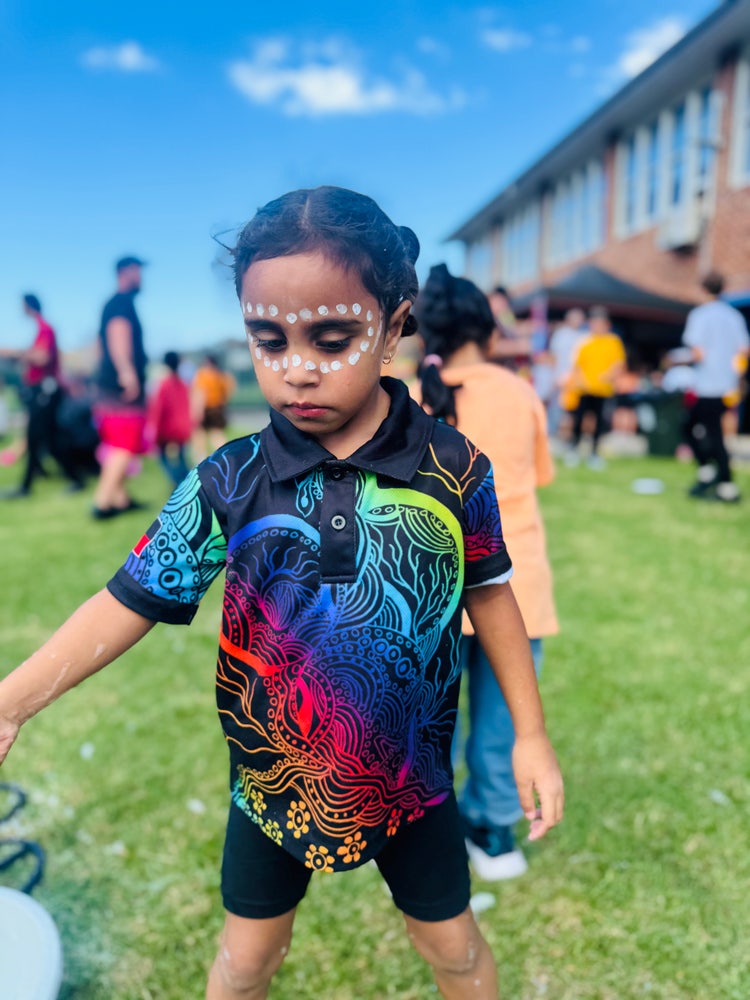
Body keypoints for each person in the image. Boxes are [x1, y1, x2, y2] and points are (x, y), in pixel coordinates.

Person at [0, 186, 564, 1000]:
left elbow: (493, 596)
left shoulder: (455, 468)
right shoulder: (228, 479)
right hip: (268, 783)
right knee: (244, 962)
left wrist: (530, 734)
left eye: (332, 337)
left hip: (414, 784)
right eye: (268, 340)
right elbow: (128, 599)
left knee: (456, 953)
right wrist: (13, 702)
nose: (295, 366)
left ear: (396, 323)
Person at [414, 264, 559, 882]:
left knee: (431, 725)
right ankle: (494, 831)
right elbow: (540, 476)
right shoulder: (519, 392)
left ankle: (430, 832)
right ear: (489, 330)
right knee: (503, 726)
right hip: (515, 590)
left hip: (433, 592)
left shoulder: (414, 399)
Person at [0, 294, 84, 497]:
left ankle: (68, 480)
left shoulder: (45, 328)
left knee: (43, 437)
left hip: (45, 390)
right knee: (42, 437)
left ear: (29, 306)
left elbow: (42, 356)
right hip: (41, 390)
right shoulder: (41, 328)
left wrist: (15, 353)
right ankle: (31, 483)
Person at [681, 271, 750, 503]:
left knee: (702, 432)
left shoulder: (700, 316)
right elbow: (743, 352)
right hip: (727, 386)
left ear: (702, 290)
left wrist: (680, 360)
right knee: (703, 430)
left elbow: (697, 353)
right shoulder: (734, 317)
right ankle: (711, 475)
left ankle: (725, 485)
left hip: (708, 385)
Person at [91, 255, 149, 519]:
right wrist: (127, 372)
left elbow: (99, 344)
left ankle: (119, 498)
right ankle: (103, 502)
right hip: (120, 388)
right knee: (126, 444)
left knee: (116, 444)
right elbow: (117, 335)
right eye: (137, 271)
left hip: (107, 387)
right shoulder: (120, 303)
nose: (141, 277)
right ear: (125, 272)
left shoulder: (113, 303)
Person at [566, 306, 626, 468]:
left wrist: (609, 376)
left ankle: (594, 453)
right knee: (579, 420)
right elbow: (577, 365)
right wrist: (580, 380)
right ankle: (574, 449)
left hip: (602, 389)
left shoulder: (613, 342)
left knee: (599, 422)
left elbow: (618, 363)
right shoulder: (585, 341)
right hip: (584, 388)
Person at [148, 351, 193, 487]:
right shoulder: (183, 384)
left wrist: (152, 428)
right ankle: (188, 481)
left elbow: (158, 409)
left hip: (166, 428)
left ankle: (178, 481)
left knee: (162, 456)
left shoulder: (163, 384)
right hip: (181, 427)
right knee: (181, 457)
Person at [547, 308, 586, 439]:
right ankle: (552, 436)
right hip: (560, 377)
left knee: (571, 412)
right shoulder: (561, 334)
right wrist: (554, 376)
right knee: (556, 410)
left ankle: (568, 438)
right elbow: (554, 356)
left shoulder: (583, 336)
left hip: (575, 380)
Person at [191, 353, 237, 460]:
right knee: (217, 434)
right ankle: (225, 456)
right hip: (218, 408)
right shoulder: (221, 375)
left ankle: (200, 458)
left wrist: (197, 410)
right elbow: (229, 390)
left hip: (205, 408)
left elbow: (200, 393)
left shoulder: (203, 375)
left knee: (199, 435)